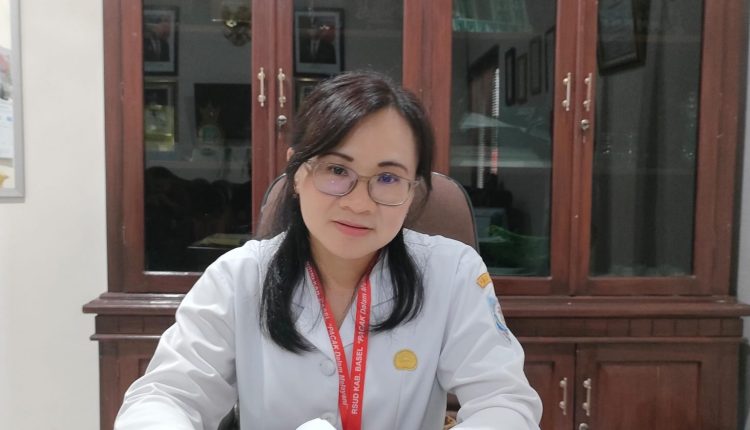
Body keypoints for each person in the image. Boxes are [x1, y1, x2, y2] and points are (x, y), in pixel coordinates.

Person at [114, 71, 542, 430]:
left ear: (413, 190)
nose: (359, 203)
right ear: (298, 174)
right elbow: (166, 395)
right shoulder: (238, 277)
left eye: (388, 178)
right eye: (337, 170)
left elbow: (503, 401)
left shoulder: (451, 273)